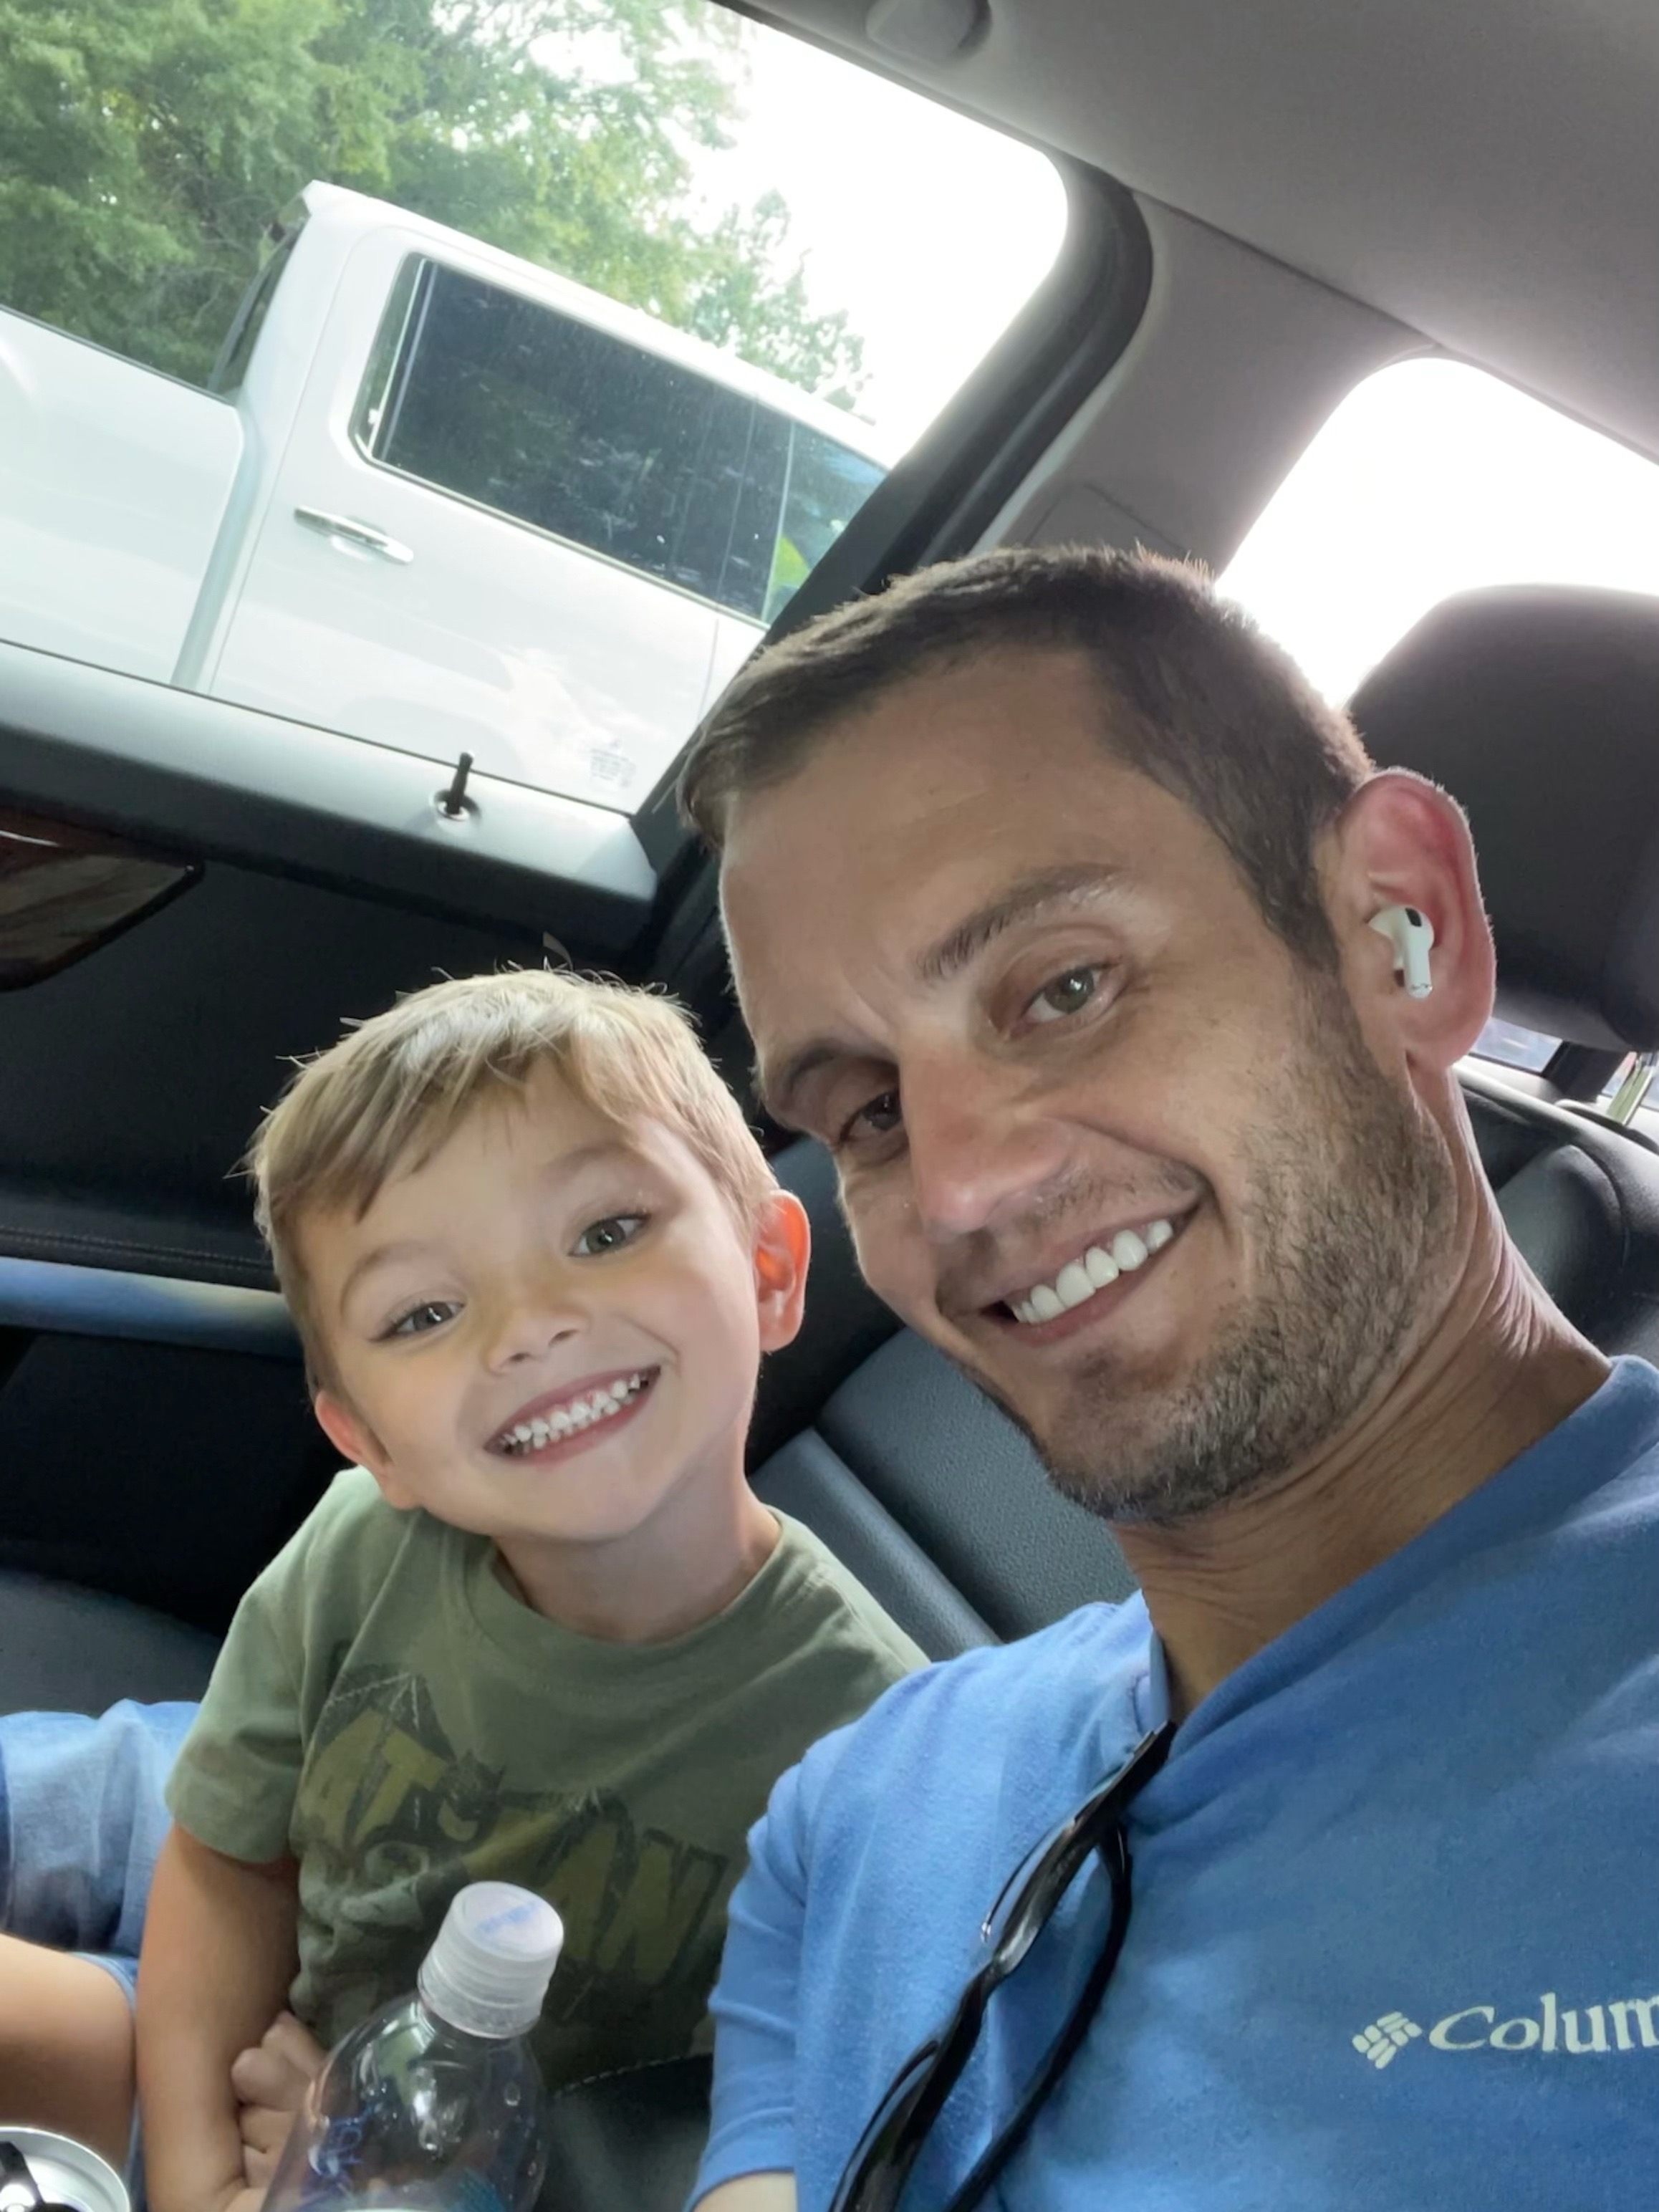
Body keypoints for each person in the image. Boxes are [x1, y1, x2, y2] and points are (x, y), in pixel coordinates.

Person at [676, 547, 1659, 2211]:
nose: (962, 1187)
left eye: (1065, 987)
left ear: (1402, 929)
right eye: (872, 1113)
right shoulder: (854, 1806)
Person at [0, 969, 922, 2206]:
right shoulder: (364, 1543)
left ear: (767, 1267)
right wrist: (199, 2183)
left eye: (606, 1233)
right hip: (229, 1870)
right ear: (369, 1442)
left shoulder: (874, 1754)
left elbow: (733, 2137)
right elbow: (225, 1862)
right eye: (425, 1311)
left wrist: (372, 2167)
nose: (528, 1327)